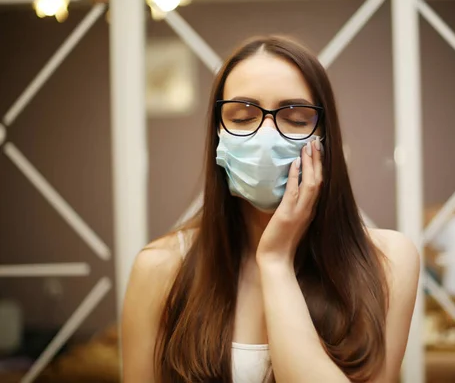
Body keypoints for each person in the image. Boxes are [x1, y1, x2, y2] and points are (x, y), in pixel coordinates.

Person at [121, 35, 419, 383]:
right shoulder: (160, 267)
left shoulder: (389, 261)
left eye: (294, 118)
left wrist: (275, 261)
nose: (265, 136)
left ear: (325, 137)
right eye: (243, 116)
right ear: (218, 132)